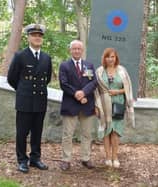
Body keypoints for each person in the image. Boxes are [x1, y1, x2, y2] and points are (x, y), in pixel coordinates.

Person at [7, 23, 52, 173]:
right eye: (34, 35)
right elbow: (12, 78)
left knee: (37, 132)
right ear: (28, 38)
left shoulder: (46, 57)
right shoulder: (20, 56)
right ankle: (22, 160)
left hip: (40, 100)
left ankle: (35, 158)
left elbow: (47, 79)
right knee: (22, 132)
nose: (37, 38)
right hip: (25, 101)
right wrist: (23, 91)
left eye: (40, 36)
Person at [58, 40, 97, 171]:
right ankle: (66, 160)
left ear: (82, 50)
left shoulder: (89, 65)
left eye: (79, 49)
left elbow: (93, 82)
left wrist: (83, 92)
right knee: (67, 134)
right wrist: (76, 93)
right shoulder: (64, 66)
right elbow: (63, 84)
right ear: (70, 50)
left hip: (87, 105)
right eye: (74, 48)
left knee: (87, 134)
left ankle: (86, 158)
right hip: (70, 104)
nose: (77, 51)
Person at [95, 48, 135, 168]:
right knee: (107, 131)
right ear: (104, 58)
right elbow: (95, 90)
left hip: (118, 104)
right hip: (104, 104)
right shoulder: (100, 71)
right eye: (108, 57)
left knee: (115, 131)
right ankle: (107, 157)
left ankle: (115, 157)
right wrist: (96, 106)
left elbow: (128, 88)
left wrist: (117, 91)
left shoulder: (122, 71)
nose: (110, 59)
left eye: (113, 57)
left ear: (116, 58)